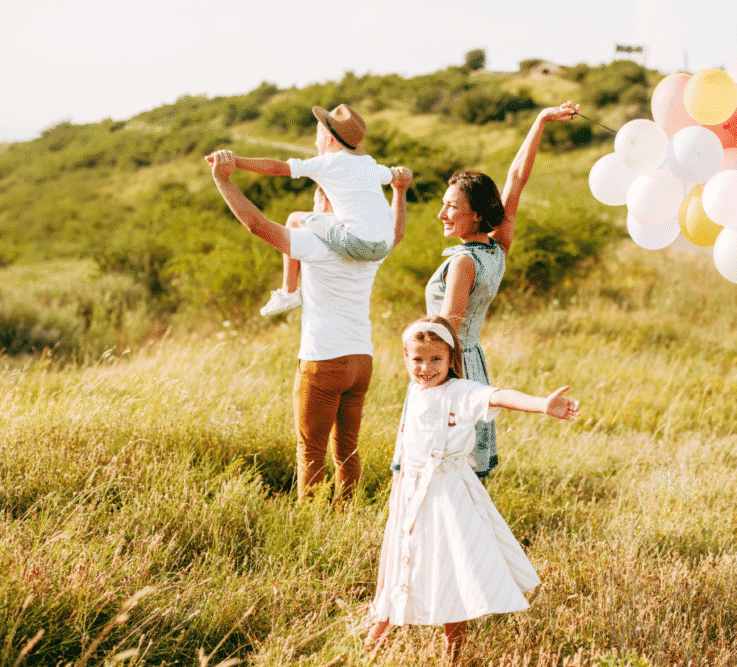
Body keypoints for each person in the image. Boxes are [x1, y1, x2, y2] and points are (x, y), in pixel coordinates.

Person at [367, 316, 579, 663]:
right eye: (417, 359)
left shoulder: (459, 392)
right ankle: (379, 631)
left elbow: (498, 395)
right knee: (399, 559)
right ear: (405, 357)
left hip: (448, 496)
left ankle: (454, 651)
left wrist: (542, 404)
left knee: (453, 565)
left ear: (452, 359)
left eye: (436, 359)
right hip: (410, 493)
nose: (426, 368)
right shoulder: (414, 390)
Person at [207, 147, 413, 500]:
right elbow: (396, 234)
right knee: (346, 450)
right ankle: (345, 517)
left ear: (327, 205)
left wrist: (223, 180)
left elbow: (256, 224)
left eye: (317, 202)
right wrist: (400, 191)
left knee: (311, 452)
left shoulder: (316, 245)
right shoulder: (372, 247)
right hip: (362, 361)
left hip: (323, 362)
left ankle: (312, 523)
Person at [392, 101, 581, 481]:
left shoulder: (464, 261)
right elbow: (515, 180)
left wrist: (418, 358)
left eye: (451, 207)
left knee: (436, 465)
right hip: (473, 359)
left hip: (449, 366)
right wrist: (541, 120)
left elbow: (445, 331)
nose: (442, 214)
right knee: (463, 470)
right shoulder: (498, 248)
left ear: (476, 213)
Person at [207, 103, 397, 316]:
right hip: (384, 243)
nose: (315, 141)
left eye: (317, 135)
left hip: (356, 242)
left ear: (329, 139)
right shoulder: (369, 164)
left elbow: (279, 168)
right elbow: (394, 176)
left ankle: (288, 292)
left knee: (295, 218)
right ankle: (289, 292)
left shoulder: (327, 163)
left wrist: (236, 162)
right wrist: (401, 177)